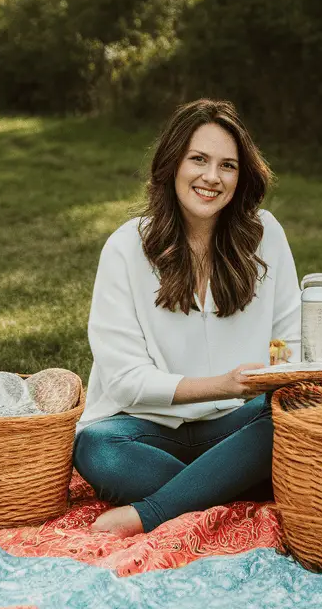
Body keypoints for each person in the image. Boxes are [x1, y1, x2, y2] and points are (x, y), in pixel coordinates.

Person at [72, 98, 301, 537]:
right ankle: (235, 481)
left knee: (288, 415)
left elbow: (291, 346)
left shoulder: (266, 234)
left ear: (242, 175)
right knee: (97, 449)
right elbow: (123, 381)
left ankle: (155, 511)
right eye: (198, 159)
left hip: (242, 423)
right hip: (143, 429)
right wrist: (224, 383)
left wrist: (270, 381)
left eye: (228, 165)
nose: (211, 177)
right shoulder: (125, 248)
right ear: (172, 163)